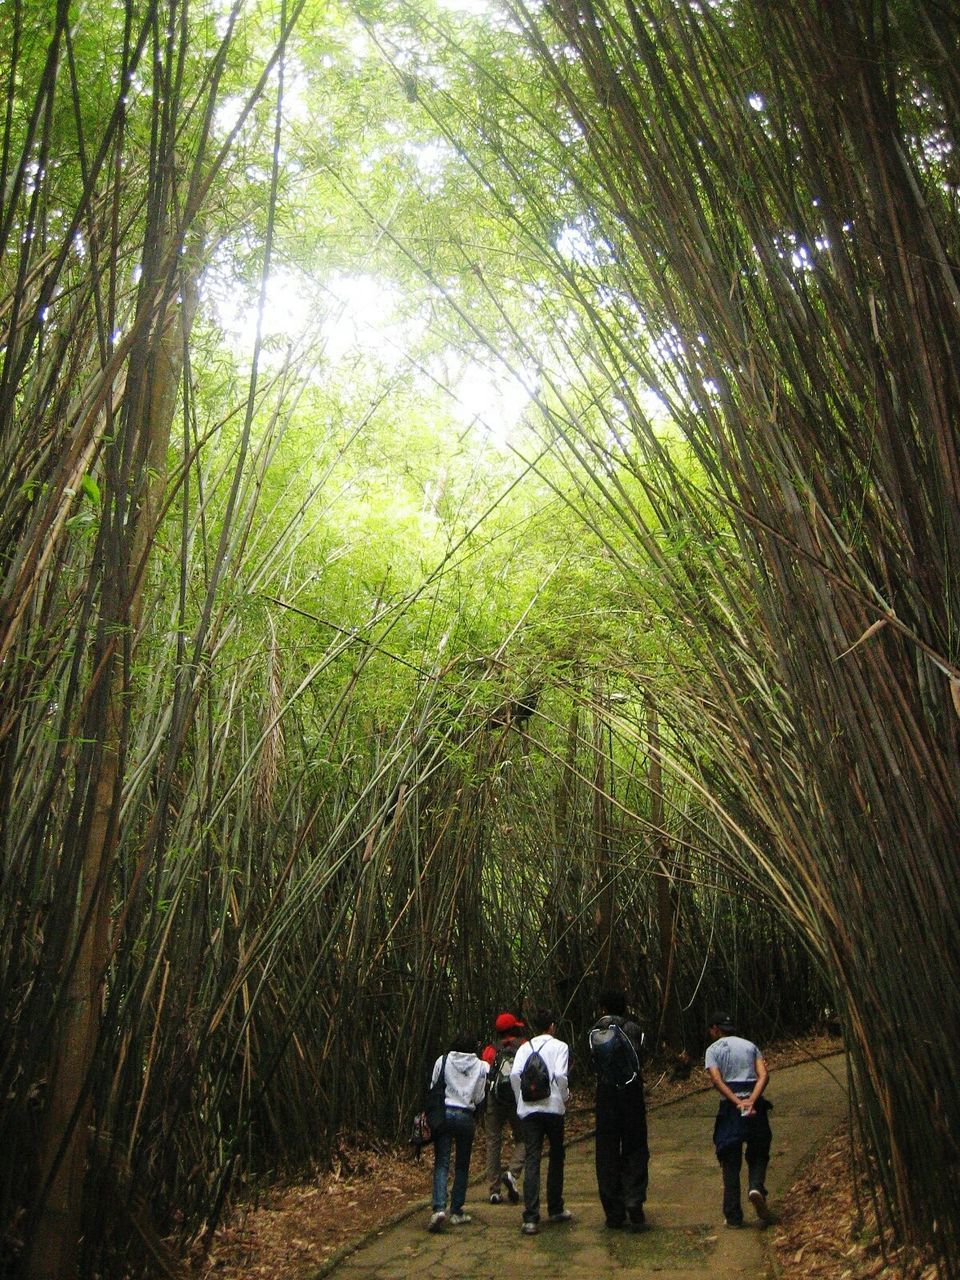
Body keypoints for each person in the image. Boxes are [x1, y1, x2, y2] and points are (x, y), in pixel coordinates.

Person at [704, 1011, 773, 1228]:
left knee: (730, 1159)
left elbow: (716, 1080)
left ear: (715, 1029)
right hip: (755, 1103)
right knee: (759, 1148)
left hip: (731, 1108)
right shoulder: (750, 1045)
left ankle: (733, 1215)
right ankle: (755, 1186)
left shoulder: (713, 1050)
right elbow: (764, 1075)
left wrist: (736, 1101)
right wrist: (751, 1099)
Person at [588, 989, 649, 1230]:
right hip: (631, 1092)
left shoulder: (593, 1032)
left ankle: (613, 1211)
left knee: (606, 1150)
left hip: (605, 1094)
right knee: (635, 1146)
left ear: (603, 1008)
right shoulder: (634, 1029)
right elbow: (640, 1058)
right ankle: (634, 1200)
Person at [510, 1006, 572, 1236]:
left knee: (532, 1159)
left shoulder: (524, 1047)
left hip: (529, 1109)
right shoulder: (560, 1047)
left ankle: (531, 1217)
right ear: (552, 1026)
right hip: (553, 1107)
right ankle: (555, 1207)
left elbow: (515, 1075)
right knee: (557, 1155)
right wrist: (564, 1097)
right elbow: (560, 1076)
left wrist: (520, 1102)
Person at [427, 1032, 489, 1232]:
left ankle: (438, 1208)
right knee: (462, 1165)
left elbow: (433, 1086)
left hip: (444, 1115)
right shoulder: (480, 1066)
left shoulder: (443, 1060)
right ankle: (456, 1211)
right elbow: (480, 1096)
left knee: (442, 1162)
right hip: (465, 1116)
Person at [480, 1012, 527, 1204]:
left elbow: (485, 1076)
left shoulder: (490, 1051)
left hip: (495, 1099)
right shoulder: (524, 1047)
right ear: (514, 1028)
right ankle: (513, 1172)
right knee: (524, 1138)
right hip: (517, 1098)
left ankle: (494, 1190)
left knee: (493, 1142)